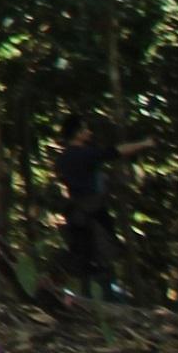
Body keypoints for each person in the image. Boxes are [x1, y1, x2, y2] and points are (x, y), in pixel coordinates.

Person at [57, 116, 124, 301]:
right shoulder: (84, 154)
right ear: (77, 134)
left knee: (83, 256)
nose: (89, 133)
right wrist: (145, 143)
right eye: (85, 129)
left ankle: (86, 295)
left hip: (76, 214)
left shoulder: (63, 158)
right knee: (102, 255)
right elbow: (113, 152)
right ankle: (108, 297)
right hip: (92, 212)